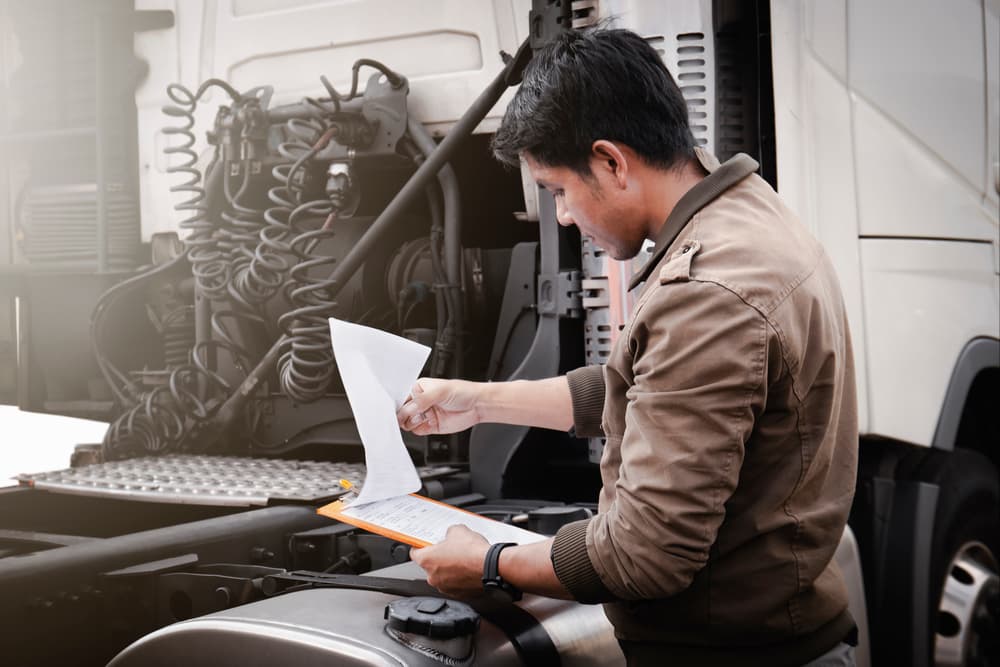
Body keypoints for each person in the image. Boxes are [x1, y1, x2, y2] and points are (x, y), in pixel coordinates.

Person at [397, 28, 858, 667]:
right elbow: (641, 386)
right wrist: (476, 402)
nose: (561, 216)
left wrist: (490, 565)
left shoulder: (709, 291)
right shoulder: (750, 216)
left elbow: (644, 556)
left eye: (559, 190)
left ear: (612, 161)